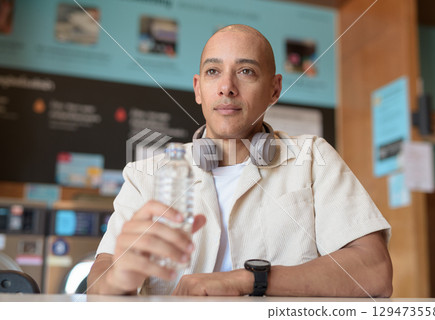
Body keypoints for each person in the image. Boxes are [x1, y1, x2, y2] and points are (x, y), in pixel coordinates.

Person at [87, 24, 393, 297]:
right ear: (198, 89)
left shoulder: (313, 158)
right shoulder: (145, 176)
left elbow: (375, 272)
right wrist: (117, 278)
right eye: (213, 72)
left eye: (246, 71)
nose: (226, 87)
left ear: (274, 89)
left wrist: (246, 281)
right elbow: (97, 282)